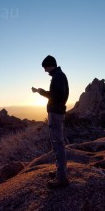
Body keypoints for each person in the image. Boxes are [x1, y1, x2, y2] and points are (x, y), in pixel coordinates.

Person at [32, 55, 69, 188]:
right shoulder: (58, 75)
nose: (45, 71)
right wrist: (40, 91)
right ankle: (60, 171)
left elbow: (57, 96)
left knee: (58, 143)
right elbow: (57, 94)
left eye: (45, 68)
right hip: (57, 112)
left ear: (50, 65)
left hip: (56, 113)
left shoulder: (58, 76)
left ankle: (62, 178)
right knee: (57, 143)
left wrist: (41, 92)